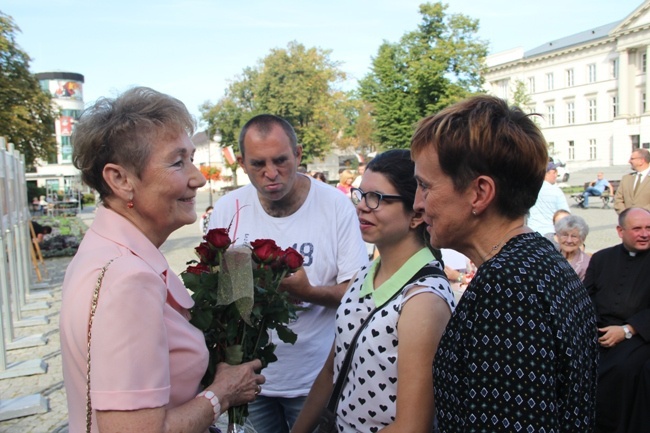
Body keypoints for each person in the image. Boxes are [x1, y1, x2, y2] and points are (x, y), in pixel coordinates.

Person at [59, 87, 264, 433]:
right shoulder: (127, 279)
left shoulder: (108, 251)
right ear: (120, 179)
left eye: (192, 159)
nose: (198, 178)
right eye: (177, 162)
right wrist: (222, 394)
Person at [411, 95, 598, 433]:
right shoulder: (539, 260)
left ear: (479, 193)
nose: (417, 204)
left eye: (425, 186)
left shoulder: (507, 287)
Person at [208, 114, 368, 433]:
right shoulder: (229, 209)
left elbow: (358, 295)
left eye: (281, 160)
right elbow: (217, 295)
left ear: (298, 154)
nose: (271, 174)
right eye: (258, 164)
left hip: (315, 380)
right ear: (241, 163)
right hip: (250, 380)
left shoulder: (335, 207)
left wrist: (307, 293)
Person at [292, 149, 454, 433]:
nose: (361, 207)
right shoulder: (367, 273)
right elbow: (333, 368)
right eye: (360, 194)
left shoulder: (423, 299)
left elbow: (412, 426)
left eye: (376, 198)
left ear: (416, 214)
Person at [584, 207, 650, 433]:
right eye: (637, 228)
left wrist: (627, 329)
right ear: (620, 231)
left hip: (639, 334)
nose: (645, 234)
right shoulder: (602, 258)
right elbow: (586, 297)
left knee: (623, 368)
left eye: (649, 228)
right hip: (599, 330)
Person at [527, 161, 570, 236]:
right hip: (551, 232)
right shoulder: (556, 191)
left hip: (532, 231)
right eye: (554, 172)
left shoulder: (531, 189)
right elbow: (565, 216)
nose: (556, 175)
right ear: (546, 173)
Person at [554, 214, 591, 280]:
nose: (569, 240)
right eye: (565, 235)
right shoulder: (550, 256)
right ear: (557, 236)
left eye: (574, 236)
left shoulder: (587, 264)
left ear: (582, 239)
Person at [614, 148, 650, 214]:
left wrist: (641, 215)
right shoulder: (626, 178)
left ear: (641, 161)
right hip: (628, 221)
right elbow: (618, 199)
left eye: (632, 159)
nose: (629, 161)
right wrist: (626, 215)